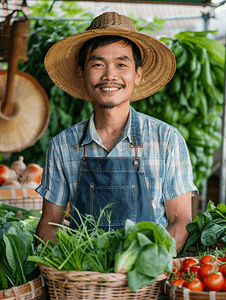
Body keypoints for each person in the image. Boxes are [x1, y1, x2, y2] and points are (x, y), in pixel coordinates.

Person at [35, 12, 198, 253]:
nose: (110, 75)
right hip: (83, 282)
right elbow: (50, 225)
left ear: (137, 75)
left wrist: (141, 264)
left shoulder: (167, 140)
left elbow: (181, 221)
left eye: (122, 64)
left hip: (149, 283)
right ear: (82, 73)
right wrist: (80, 266)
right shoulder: (62, 145)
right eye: (98, 64)